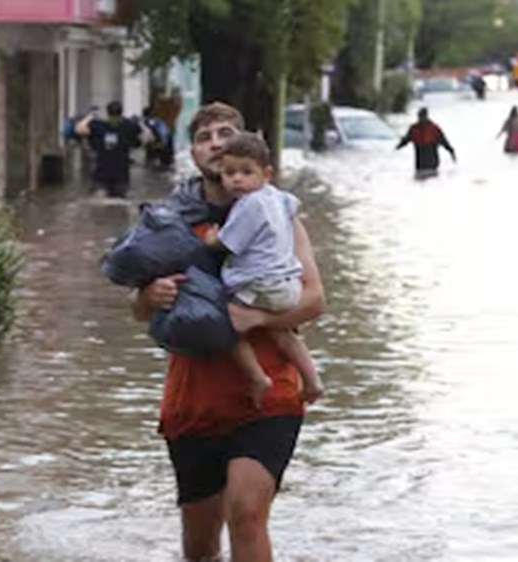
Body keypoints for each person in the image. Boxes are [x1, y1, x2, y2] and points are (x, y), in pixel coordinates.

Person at [132, 102, 325, 562]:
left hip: (269, 394)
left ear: (250, 154)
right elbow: (137, 309)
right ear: (193, 153)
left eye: (226, 133)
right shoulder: (170, 222)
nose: (216, 143)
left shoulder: (280, 215)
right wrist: (147, 297)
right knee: (200, 550)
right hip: (193, 397)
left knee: (246, 511)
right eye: (204, 137)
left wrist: (257, 319)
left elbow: (314, 299)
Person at [200, 133, 324, 408]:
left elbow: (228, 243)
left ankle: (257, 377)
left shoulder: (248, 205)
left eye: (246, 172)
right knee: (283, 335)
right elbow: (293, 205)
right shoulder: (277, 198)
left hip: (258, 284)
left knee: (228, 326)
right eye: (230, 172)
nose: (237, 180)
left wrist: (211, 238)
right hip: (286, 286)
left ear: (266, 173)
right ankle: (313, 380)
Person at [76, 101, 148, 198]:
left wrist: (91, 116)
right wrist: (140, 123)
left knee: (99, 200)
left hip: (102, 178)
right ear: (121, 113)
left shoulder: (99, 126)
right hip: (120, 179)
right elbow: (148, 137)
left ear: (107, 113)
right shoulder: (128, 126)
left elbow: (79, 129)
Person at [396, 108, 457, 178]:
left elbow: (444, 142)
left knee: (431, 180)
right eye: (419, 117)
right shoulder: (413, 129)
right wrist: (397, 147)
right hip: (420, 165)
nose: (420, 119)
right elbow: (405, 141)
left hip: (432, 165)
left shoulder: (434, 129)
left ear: (426, 116)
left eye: (422, 116)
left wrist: (451, 152)